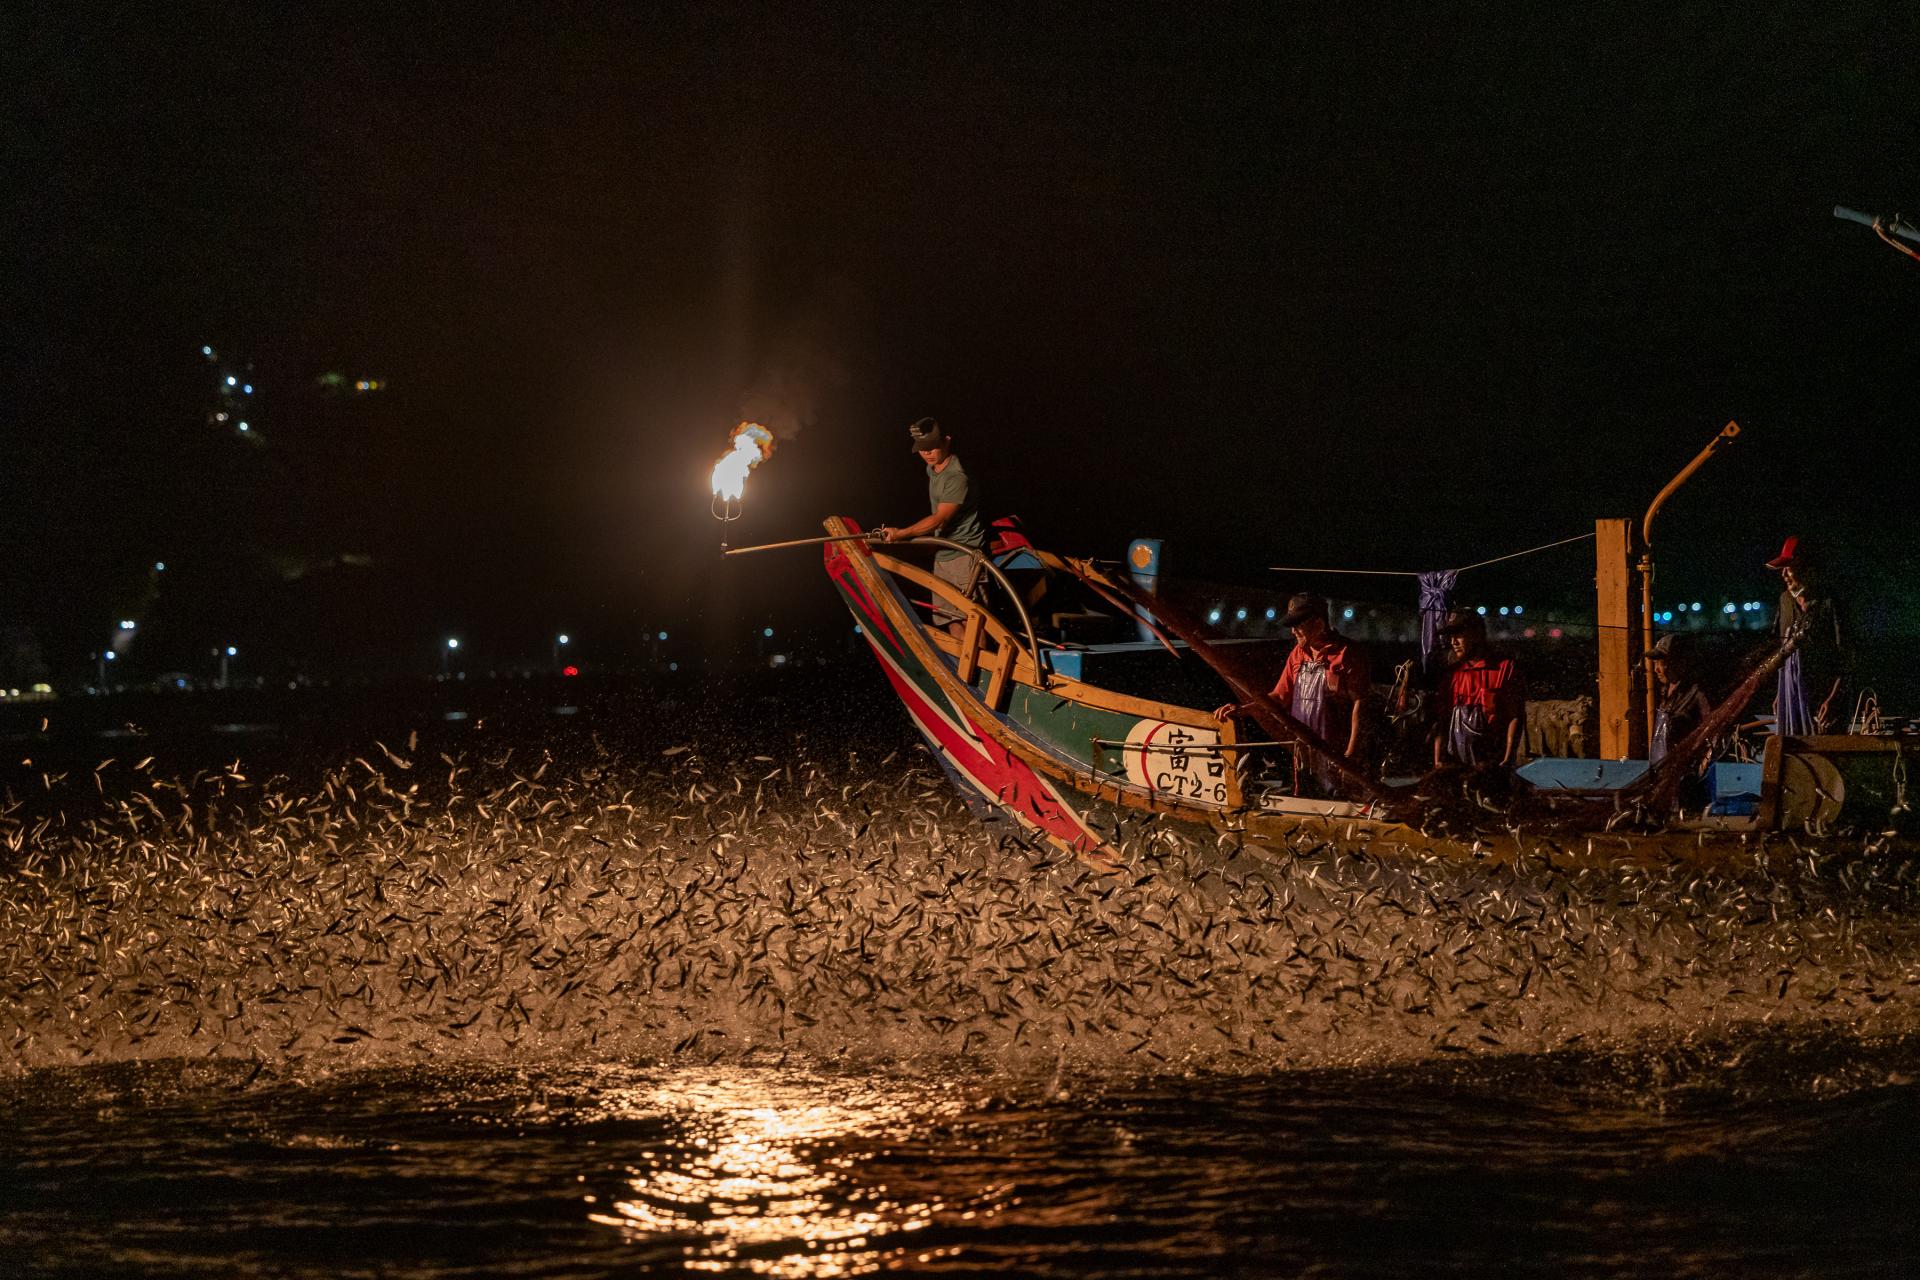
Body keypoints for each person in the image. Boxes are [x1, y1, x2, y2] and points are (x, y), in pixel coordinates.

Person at [1213, 592, 1372, 793]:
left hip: (1337, 753)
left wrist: (1351, 754)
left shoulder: (1348, 654)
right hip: (1303, 751)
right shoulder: (1298, 654)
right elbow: (1279, 697)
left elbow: (1361, 705)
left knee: (1342, 802)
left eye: (1299, 625)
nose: (1293, 632)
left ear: (1318, 623)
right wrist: (1242, 710)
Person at [878, 417, 987, 637]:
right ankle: (961, 671)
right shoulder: (933, 467)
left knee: (973, 619)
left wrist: (902, 533)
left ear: (947, 441)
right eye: (922, 449)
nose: (927, 453)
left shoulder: (957, 477)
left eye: (932, 447)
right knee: (950, 618)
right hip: (944, 554)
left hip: (965, 555)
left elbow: (939, 519)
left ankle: (982, 671)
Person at [1766, 536, 1848, 735]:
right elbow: (1781, 653)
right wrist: (1780, 694)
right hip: (1791, 699)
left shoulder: (1830, 602)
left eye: (1789, 568)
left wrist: (1833, 698)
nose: (1784, 574)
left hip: (1823, 702)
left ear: (1808, 568)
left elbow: (1846, 657)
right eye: (1782, 569)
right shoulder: (1785, 601)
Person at [1432, 608, 1526, 767]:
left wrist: (1508, 759)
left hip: (1492, 765)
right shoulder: (1451, 675)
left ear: (1477, 634)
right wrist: (1438, 761)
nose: (1453, 642)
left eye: (1459, 635)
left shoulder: (1504, 668)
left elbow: (1515, 716)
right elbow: (1442, 721)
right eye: (1451, 636)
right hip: (1456, 766)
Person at [1645, 632, 1712, 766]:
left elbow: (1712, 732)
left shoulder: (1698, 695)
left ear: (1680, 662)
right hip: (1662, 771)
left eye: (1661, 662)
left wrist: (1704, 764)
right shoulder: (1663, 694)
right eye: (1655, 662)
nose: (1656, 669)